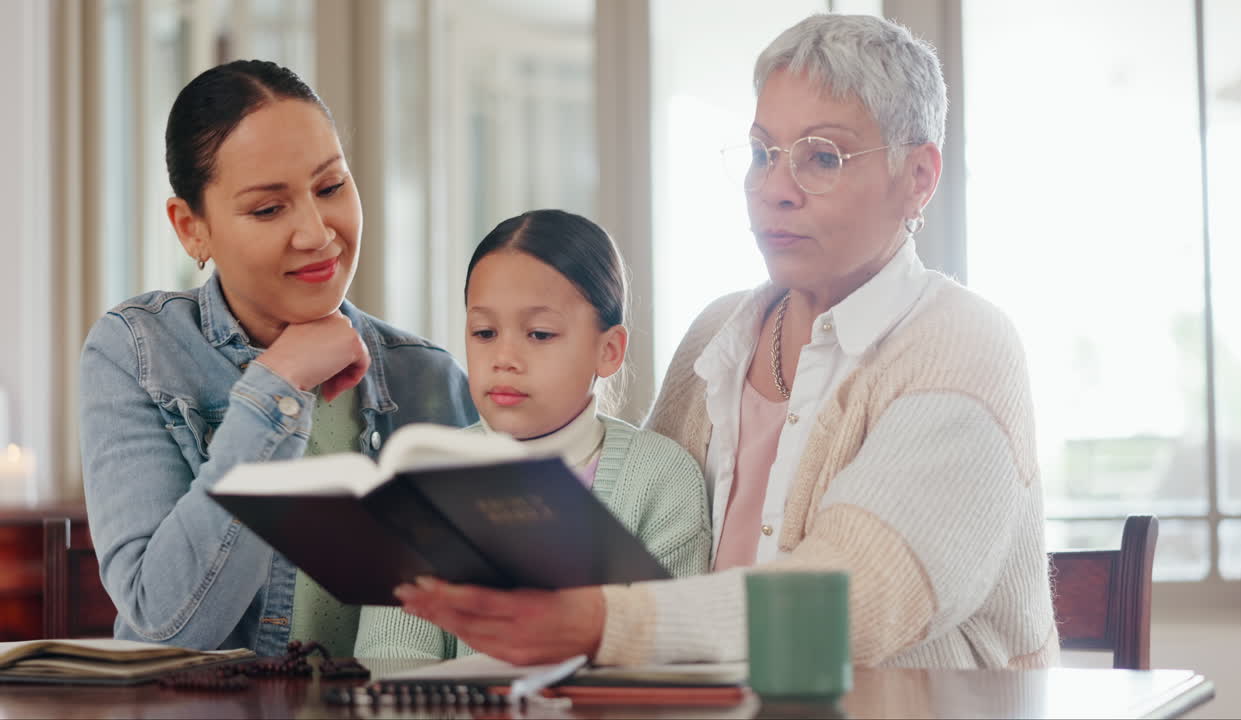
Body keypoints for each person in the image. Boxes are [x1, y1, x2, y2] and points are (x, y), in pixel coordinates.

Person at [395, 14, 1058, 669]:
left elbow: (858, 598)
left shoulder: (964, 344)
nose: (773, 189)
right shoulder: (718, 333)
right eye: (763, 153)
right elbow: (639, 530)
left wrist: (600, 622)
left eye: (822, 157)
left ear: (917, 176)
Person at [79, 60, 476, 655]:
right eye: (268, 209)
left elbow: (480, 625)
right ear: (191, 229)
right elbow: (167, 630)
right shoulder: (138, 353)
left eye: (331, 187)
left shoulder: (430, 379)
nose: (317, 234)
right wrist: (279, 384)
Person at [355, 209, 712, 659]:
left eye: (539, 334)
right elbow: (390, 656)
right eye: (484, 332)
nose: (504, 358)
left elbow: (673, 654)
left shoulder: (661, 477)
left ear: (609, 350)